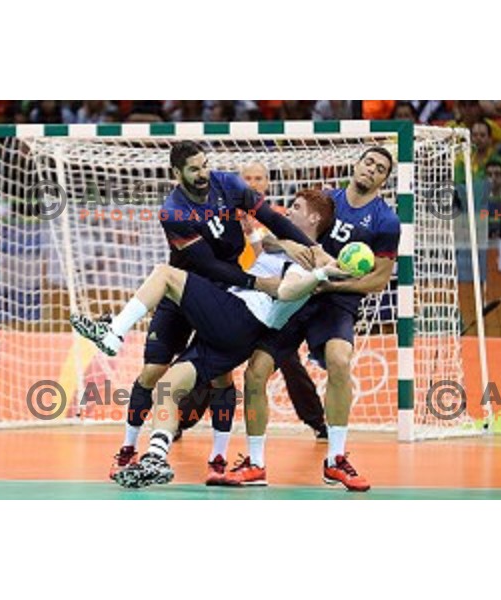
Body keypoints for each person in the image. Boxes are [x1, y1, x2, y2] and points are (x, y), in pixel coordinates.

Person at [70, 189, 341, 488]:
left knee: (165, 274)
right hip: (236, 337)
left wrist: (321, 274)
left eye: (296, 207)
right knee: (167, 387)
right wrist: (284, 243)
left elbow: (288, 290)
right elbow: (268, 243)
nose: (288, 212)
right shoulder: (285, 247)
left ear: (314, 218)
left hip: (238, 314)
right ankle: (155, 458)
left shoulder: (309, 262)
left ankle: (113, 333)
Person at [107, 141, 317, 484]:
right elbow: (208, 264)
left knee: (222, 378)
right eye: (194, 169)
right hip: (187, 291)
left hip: (226, 294)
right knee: (152, 372)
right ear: (177, 173)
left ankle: (217, 457)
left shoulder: (232, 189)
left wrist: (310, 249)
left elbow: (270, 229)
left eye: (205, 164)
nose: (202, 172)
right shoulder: (174, 211)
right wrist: (259, 279)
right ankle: (129, 449)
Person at [222, 147, 400, 491]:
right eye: (368, 162)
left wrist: (332, 284)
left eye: (380, 168)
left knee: (339, 360)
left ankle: (335, 460)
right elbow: (272, 240)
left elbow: (378, 280)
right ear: (357, 164)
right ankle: (255, 463)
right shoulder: (325, 200)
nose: (372, 169)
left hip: (336, 303)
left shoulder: (386, 221)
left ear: (384, 180)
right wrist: (289, 248)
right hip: (296, 293)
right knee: (255, 371)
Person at [240, 161, 328, 439]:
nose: (253, 183)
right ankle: (181, 421)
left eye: (258, 178)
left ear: (267, 183)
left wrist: (269, 239)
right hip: (236, 294)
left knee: (289, 362)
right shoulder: (226, 214)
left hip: (272, 298)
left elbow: (269, 252)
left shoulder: (279, 216)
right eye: (247, 178)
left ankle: (317, 421)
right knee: (214, 360)